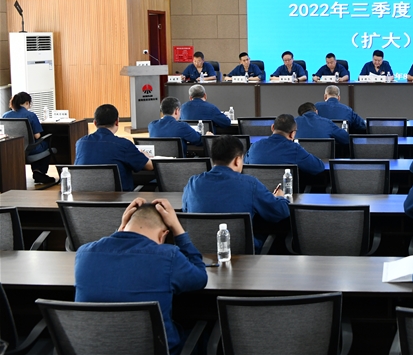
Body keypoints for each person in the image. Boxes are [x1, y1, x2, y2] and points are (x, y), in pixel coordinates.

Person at [74, 198, 207, 354]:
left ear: (124, 226)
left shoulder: (84, 254)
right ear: (163, 236)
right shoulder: (168, 256)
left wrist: (120, 230)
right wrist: (178, 229)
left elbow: (111, 248)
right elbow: (200, 277)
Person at [183, 135, 289, 252]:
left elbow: (186, 211)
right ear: (237, 160)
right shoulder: (250, 184)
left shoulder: (193, 183)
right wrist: (280, 197)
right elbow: (281, 211)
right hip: (241, 255)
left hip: (200, 254)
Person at [75, 104, 153, 191]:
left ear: (95, 123)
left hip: (85, 197)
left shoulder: (80, 143)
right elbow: (149, 166)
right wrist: (145, 156)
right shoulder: (124, 144)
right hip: (118, 198)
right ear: (117, 122)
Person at [244, 114, 325, 175]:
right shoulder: (295, 149)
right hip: (285, 192)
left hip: (256, 192)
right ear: (292, 134)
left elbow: (245, 163)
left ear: (272, 127)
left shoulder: (254, 146)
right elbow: (318, 167)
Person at [3, 92, 53, 184]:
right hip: (29, 149)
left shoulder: (5, 115)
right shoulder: (30, 115)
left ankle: (37, 172)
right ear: (27, 103)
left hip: (12, 149)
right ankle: (39, 172)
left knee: (34, 145)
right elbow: (37, 135)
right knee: (45, 144)